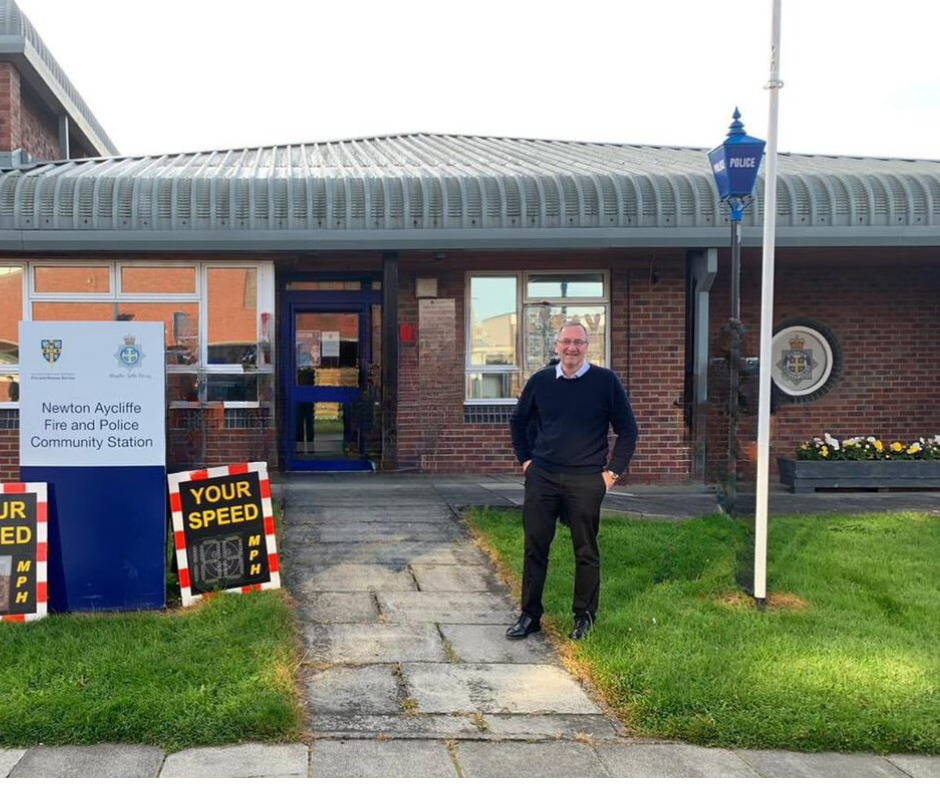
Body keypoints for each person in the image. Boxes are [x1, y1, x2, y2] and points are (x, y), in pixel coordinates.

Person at [507, 321, 638, 641]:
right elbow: (518, 422)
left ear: (587, 346)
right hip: (543, 478)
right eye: (566, 342)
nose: (572, 348)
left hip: (586, 479)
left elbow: (628, 430)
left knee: (586, 550)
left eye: (578, 342)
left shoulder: (605, 382)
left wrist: (611, 474)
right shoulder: (540, 382)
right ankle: (530, 615)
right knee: (535, 547)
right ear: (556, 346)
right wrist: (526, 461)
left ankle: (584, 617)